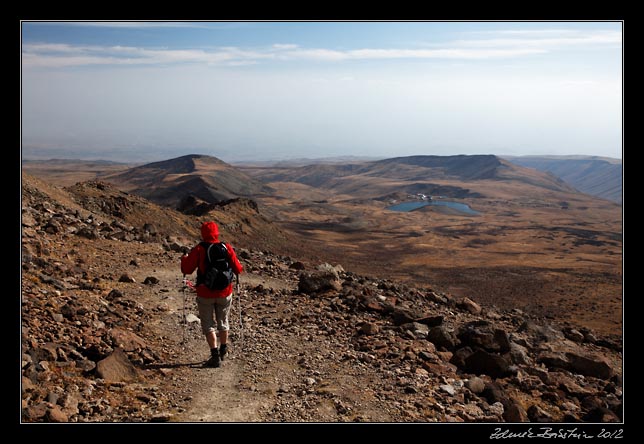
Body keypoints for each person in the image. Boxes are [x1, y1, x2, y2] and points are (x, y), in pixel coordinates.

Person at [181, 221, 243, 368]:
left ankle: (214, 355)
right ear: (216, 233)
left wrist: (184, 258)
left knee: (208, 324)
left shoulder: (199, 249)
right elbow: (238, 269)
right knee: (223, 320)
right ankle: (223, 349)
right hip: (225, 292)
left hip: (205, 293)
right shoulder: (225, 247)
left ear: (203, 233)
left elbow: (187, 269)